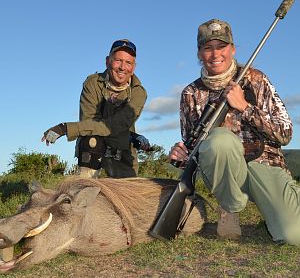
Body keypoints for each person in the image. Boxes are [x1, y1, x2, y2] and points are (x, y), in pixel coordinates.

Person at [169, 19, 300, 245]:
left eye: (221, 47)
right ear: (199, 53)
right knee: (219, 141)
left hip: (264, 165)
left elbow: (285, 133)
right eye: (207, 48)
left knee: (292, 235)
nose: (215, 54)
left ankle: (277, 211)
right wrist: (180, 157)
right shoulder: (190, 93)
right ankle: (229, 208)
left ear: (232, 49)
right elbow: (196, 148)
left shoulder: (257, 79)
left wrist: (245, 107)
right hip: (225, 176)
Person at [42, 39, 150, 178]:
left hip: (122, 154)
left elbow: (117, 125)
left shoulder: (139, 92)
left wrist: (66, 128)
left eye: (128, 63)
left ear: (133, 67)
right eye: (118, 60)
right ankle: (86, 185)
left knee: (128, 197)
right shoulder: (92, 83)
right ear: (107, 61)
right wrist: (129, 136)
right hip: (94, 150)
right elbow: (90, 121)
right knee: (91, 139)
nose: (122, 67)